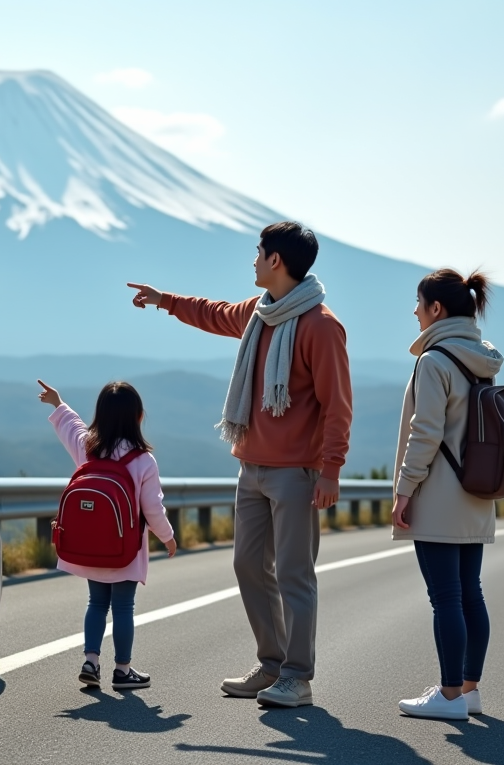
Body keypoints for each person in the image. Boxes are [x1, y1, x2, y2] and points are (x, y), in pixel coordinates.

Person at [127, 220, 352, 708]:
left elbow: (338, 405)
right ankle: (271, 665)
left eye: (257, 252)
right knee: (248, 564)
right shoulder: (260, 314)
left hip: (297, 472)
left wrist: (330, 469)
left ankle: (297, 676)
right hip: (251, 466)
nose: (252, 260)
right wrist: (164, 299)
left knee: (294, 574)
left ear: (276, 261)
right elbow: (214, 313)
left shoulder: (321, 326)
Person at [392, 268, 500, 722]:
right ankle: (469, 689)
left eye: (419, 303)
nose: (414, 311)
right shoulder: (481, 358)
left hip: (438, 494)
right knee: (470, 593)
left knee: (446, 598)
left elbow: (425, 434)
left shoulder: (435, 361)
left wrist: (403, 490)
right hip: (476, 493)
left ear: (437, 309)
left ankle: (449, 695)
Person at [37, 379, 177, 690]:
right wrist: (167, 537)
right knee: (123, 607)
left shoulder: (89, 449)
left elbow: (71, 428)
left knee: (96, 603)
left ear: (99, 415)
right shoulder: (142, 461)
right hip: (124, 548)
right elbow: (152, 507)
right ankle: (123, 670)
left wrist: (59, 404)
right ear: (138, 417)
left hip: (90, 547)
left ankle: (91, 661)